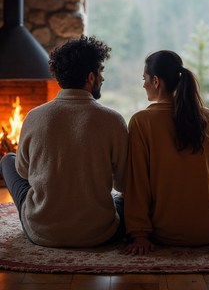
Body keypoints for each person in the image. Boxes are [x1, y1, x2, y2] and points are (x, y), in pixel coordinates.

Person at [0, 35, 128, 247]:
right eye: (101, 71)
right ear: (90, 77)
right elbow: (123, 183)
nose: (102, 78)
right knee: (122, 201)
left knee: (7, 160)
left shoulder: (34, 116)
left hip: (41, 232)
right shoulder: (113, 120)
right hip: (101, 234)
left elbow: (23, 172)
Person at [124, 50, 209, 255]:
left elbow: (138, 182)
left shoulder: (141, 121)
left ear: (156, 81)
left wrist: (140, 234)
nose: (142, 84)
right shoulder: (206, 116)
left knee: (121, 197)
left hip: (168, 231)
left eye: (144, 78)